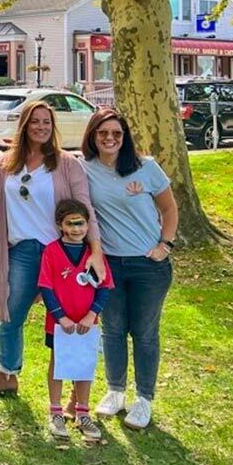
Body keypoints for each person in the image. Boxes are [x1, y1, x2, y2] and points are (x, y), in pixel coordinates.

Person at [0, 100, 102, 398]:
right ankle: (7, 373)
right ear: (24, 126)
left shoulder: (67, 163)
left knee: (71, 320)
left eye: (46, 122)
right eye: (35, 121)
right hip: (21, 252)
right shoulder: (6, 164)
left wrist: (95, 250)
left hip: (61, 254)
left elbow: (86, 209)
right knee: (10, 315)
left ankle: (75, 393)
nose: (41, 127)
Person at [80, 108, 178, 430]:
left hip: (148, 266)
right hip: (108, 265)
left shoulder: (145, 168)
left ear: (125, 138)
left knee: (145, 333)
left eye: (116, 134)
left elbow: (169, 207)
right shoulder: (85, 169)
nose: (110, 139)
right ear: (93, 136)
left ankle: (144, 399)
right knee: (113, 329)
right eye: (103, 133)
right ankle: (115, 391)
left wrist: (165, 245)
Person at [37, 199, 113, 442]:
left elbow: (105, 286)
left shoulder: (95, 255)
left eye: (81, 224)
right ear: (60, 225)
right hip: (61, 325)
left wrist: (92, 315)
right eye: (71, 224)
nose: (77, 229)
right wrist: (61, 316)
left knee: (84, 364)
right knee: (58, 361)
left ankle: (82, 412)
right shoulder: (51, 251)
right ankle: (56, 412)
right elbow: (46, 287)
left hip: (86, 325)